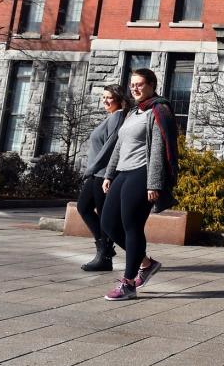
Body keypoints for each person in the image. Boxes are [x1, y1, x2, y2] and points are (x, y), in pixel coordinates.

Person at [100, 68, 179, 301]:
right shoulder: (132, 111)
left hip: (142, 173)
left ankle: (128, 283)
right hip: (123, 172)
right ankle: (146, 263)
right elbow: (118, 145)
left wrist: (153, 183)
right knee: (107, 223)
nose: (134, 88)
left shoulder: (158, 109)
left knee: (131, 226)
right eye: (132, 84)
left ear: (152, 85)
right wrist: (109, 174)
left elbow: (158, 150)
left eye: (139, 84)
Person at [76, 84, 130, 272]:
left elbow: (110, 146)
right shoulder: (112, 117)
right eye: (104, 97)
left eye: (109, 97)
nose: (105, 101)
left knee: (99, 212)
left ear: (119, 99)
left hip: (102, 173)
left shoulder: (118, 116)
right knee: (84, 208)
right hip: (97, 173)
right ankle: (104, 250)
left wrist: (92, 168)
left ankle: (105, 256)